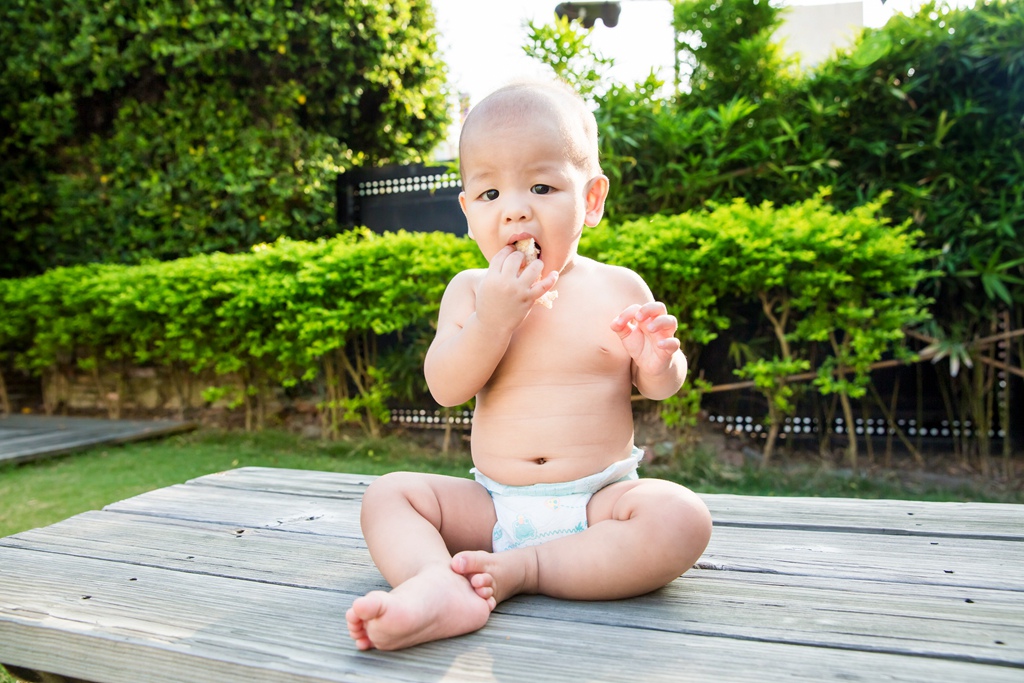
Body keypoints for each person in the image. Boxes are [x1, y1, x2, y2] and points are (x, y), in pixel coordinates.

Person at [345, 79, 712, 651]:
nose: (514, 209)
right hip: (493, 506)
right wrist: (493, 320)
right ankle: (436, 584)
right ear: (467, 212)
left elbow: (659, 386)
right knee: (388, 496)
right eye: (490, 195)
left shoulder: (617, 286)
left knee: (682, 518)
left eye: (541, 186)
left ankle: (526, 569)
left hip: (599, 504)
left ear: (589, 200)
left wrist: (658, 358)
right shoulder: (469, 292)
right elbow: (445, 388)